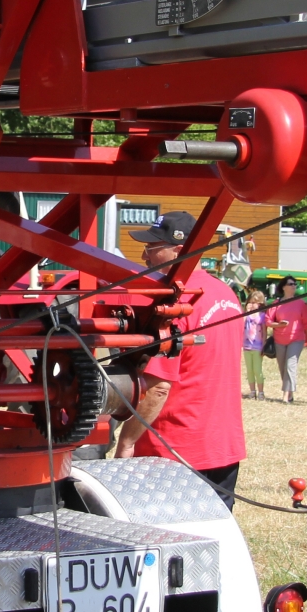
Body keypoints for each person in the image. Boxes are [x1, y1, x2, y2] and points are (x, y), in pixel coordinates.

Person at [113, 211, 246, 505]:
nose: (144, 256)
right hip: (222, 445)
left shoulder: (174, 303)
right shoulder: (227, 295)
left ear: (180, 250)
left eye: (151, 247)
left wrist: (126, 442)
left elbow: (159, 386)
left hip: (172, 451)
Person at [266, 275, 307, 403]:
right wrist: (278, 325)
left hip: (296, 338)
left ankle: (285, 395)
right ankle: (290, 393)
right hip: (279, 339)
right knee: (283, 367)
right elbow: (268, 321)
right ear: (283, 287)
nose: (294, 286)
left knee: (290, 366)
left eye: (295, 284)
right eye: (291, 284)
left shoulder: (300, 303)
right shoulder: (276, 304)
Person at [241, 289, 269, 401]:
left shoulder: (262, 316)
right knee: (249, 370)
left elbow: (264, 332)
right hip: (247, 346)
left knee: (257, 370)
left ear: (260, 304)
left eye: (255, 303)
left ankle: (261, 391)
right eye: (250, 302)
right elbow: (241, 324)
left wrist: (264, 345)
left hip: (257, 347)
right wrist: (246, 311)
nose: (252, 305)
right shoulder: (246, 316)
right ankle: (252, 391)